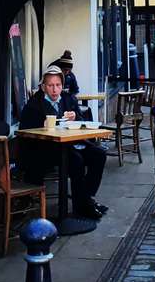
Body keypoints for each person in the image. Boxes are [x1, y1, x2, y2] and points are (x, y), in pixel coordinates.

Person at [20, 66, 107, 220]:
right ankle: (83, 206)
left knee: (99, 154)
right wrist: (43, 124)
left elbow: (81, 123)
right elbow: (25, 130)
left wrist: (76, 117)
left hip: (71, 143)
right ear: (43, 87)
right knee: (76, 160)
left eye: (58, 85)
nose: (55, 90)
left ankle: (86, 199)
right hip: (46, 150)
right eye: (51, 86)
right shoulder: (34, 104)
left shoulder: (68, 99)